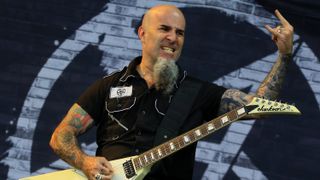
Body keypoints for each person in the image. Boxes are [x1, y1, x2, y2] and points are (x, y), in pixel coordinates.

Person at [49, 4, 293, 180]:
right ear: (142, 34)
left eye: (180, 32)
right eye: (165, 29)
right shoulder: (109, 86)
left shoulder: (197, 92)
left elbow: (259, 106)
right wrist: (85, 162)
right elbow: (61, 135)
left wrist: (284, 55)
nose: (173, 38)